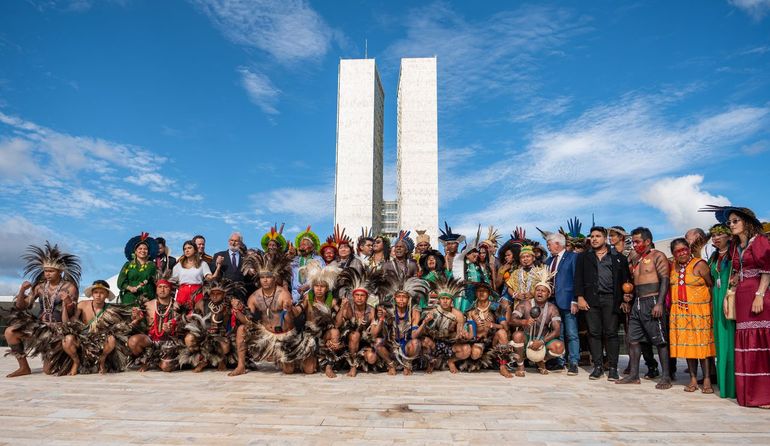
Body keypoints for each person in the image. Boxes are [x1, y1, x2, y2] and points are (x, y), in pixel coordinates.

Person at [701, 205, 770, 408]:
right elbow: (734, 273)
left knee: (760, 344)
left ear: (747, 222)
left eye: (735, 221)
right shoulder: (736, 246)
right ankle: (751, 394)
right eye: (729, 222)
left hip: (758, 294)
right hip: (741, 295)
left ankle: (765, 395)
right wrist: (727, 296)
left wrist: (760, 295)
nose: (731, 225)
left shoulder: (760, 242)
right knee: (746, 345)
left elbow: (767, 269)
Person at [5, 242, 80, 377]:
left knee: (48, 370)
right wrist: (22, 291)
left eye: (51, 271)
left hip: (58, 330)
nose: (47, 274)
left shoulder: (70, 287)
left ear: (60, 271)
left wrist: (67, 301)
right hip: (39, 327)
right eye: (46, 271)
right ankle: (24, 367)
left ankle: (67, 357)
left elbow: (72, 313)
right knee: (10, 332)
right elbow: (22, 306)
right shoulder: (39, 287)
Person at [617, 227, 673, 389]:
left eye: (637, 241)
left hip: (653, 299)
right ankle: (634, 375)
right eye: (633, 242)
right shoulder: (636, 259)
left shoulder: (658, 256)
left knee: (660, 341)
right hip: (638, 302)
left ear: (648, 241)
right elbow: (633, 282)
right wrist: (629, 297)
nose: (634, 245)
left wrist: (660, 303)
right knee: (633, 339)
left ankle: (666, 376)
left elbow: (664, 280)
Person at [574, 227, 631, 381]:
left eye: (598, 236)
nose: (594, 239)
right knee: (594, 333)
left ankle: (613, 368)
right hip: (590, 300)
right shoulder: (583, 257)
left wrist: (625, 298)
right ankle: (598, 366)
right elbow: (578, 278)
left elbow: (626, 281)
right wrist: (580, 297)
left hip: (611, 300)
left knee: (611, 333)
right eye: (592, 236)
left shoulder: (618, 258)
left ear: (605, 239)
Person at [229, 253, 299, 376]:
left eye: (269, 277)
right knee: (241, 329)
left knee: (289, 370)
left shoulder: (283, 294)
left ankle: (283, 356)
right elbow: (248, 321)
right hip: (265, 333)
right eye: (262, 277)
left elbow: (289, 322)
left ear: (275, 278)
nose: (265, 280)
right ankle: (241, 366)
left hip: (284, 336)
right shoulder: (254, 297)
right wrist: (237, 311)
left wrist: (288, 311)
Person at [610, 225, 660, 378]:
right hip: (617, 296)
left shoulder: (633, 254)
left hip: (636, 296)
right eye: (609, 235)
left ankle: (651, 364)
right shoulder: (609, 253)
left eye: (613, 235)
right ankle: (632, 365)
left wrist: (628, 295)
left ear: (621, 237)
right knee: (630, 335)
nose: (610, 238)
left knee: (644, 334)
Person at [668, 238, 716, 393]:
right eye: (677, 251)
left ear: (689, 249)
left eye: (684, 249)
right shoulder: (673, 267)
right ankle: (693, 379)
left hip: (699, 312)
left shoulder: (699, 264)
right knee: (689, 348)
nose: (682, 253)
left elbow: (711, 284)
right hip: (681, 313)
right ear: (673, 254)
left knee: (702, 347)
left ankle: (707, 379)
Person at [61, 280, 131, 375]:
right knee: (67, 339)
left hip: (101, 341)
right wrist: (64, 306)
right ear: (92, 294)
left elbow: (121, 328)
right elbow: (68, 323)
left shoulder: (111, 309)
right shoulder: (82, 305)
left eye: (102, 293)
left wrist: (135, 319)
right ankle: (75, 362)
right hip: (83, 339)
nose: (98, 295)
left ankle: (102, 360)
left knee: (112, 339)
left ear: (106, 295)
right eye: (96, 292)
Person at [510, 269, 565, 377]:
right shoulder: (524, 304)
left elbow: (557, 331)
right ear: (534, 292)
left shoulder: (552, 308)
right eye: (537, 290)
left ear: (549, 294)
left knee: (559, 346)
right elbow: (511, 321)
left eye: (543, 291)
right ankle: (520, 366)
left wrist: (542, 342)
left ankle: (541, 361)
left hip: (542, 341)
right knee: (517, 335)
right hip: (525, 339)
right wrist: (524, 321)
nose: (540, 292)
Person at [181, 279, 243, 372]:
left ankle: (222, 360)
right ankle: (203, 360)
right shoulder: (202, 303)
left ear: (224, 294)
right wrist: (189, 317)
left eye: (218, 294)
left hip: (222, 336)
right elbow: (193, 316)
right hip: (205, 335)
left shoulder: (229, 305)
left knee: (225, 346)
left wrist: (237, 307)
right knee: (189, 339)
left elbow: (240, 319)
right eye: (212, 293)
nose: (214, 296)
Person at [296, 261, 343, 378]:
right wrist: (290, 309)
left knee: (335, 332)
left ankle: (328, 366)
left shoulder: (331, 301)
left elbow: (339, 322)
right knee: (309, 370)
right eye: (317, 286)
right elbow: (298, 311)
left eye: (322, 286)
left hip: (324, 333)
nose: (319, 289)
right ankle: (313, 358)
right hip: (310, 334)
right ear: (313, 287)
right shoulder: (308, 297)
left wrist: (344, 308)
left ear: (327, 288)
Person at [335, 268, 384, 377]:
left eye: (362, 296)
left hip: (364, 341)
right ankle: (353, 364)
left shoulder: (371, 310)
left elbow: (374, 334)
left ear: (366, 297)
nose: (359, 298)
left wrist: (380, 320)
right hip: (347, 341)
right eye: (357, 295)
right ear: (353, 296)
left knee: (372, 358)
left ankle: (362, 360)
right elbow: (337, 325)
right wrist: (342, 307)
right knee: (355, 335)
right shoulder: (349, 306)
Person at [127, 279, 183, 372]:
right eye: (160, 287)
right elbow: (135, 324)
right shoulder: (147, 305)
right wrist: (137, 319)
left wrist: (172, 329)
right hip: (151, 342)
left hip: (169, 343)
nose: (162, 290)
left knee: (166, 367)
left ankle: (158, 362)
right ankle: (147, 360)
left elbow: (182, 329)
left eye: (165, 287)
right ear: (156, 290)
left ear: (170, 290)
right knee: (133, 341)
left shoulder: (178, 306)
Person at [707, 223, 736, 398]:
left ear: (729, 237)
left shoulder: (735, 255)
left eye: (720, 234)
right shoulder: (714, 257)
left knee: (730, 342)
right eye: (713, 235)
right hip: (715, 300)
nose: (716, 238)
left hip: (730, 299)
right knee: (719, 342)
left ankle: (733, 386)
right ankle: (723, 385)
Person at [419, 275, 471, 373]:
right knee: (423, 342)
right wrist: (425, 323)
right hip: (435, 343)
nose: (445, 301)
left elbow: (459, 333)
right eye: (442, 298)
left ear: (452, 300)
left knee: (466, 349)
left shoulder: (458, 314)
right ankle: (431, 361)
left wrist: (461, 334)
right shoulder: (433, 312)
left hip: (451, 344)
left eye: (448, 299)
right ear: (439, 299)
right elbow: (424, 332)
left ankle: (451, 361)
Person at [380, 276, 430, 375]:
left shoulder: (414, 311)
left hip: (407, 345)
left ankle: (408, 364)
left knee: (416, 343)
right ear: (394, 298)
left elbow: (414, 335)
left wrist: (424, 323)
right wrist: (383, 319)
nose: (401, 300)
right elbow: (379, 334)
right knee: (377, 343)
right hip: (392, 345)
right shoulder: (388, 310)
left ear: (409, 299)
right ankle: (391, 364)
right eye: (399, 297)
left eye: (404, 297)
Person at [546, 231, 580, 375]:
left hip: (568, 300)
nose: (548, 247)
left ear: (558, 244)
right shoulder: (548, 261)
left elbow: (576, 279)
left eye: (549, 244)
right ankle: (560, 361)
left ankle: (573, 362)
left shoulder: (573, 257)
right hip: (553, 303)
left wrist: (575, 299)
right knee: (558, 333)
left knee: (572, 333)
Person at [465, 283, 514, 378]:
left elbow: (505, 327)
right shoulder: (471, 310)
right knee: (475, 354)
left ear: (489, 293)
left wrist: (493, 325)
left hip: (493, 341)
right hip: (479, 341)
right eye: (479, 291)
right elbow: (471, 334)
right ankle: (482, 360)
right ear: (476, 293)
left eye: (484, 291)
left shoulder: (496, 307)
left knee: (502, 333)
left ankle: (503, 366)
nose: (481, 293)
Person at [172, 240, 219, 307]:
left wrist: (218, 267)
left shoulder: (202, 263)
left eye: (189, 248)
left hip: (197, 293)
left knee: (197, 315)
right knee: (180, 315)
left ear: (195, 250)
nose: (187, 250)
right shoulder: (179, 265)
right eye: (185, 249)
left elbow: (210, 278)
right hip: (182, 294)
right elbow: (172, 281)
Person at [117, 233, 158, 306]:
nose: (143, 250)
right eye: (140, 248)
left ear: (148, 251)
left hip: (148, 299)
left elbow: (156, 280)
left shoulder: (152, 265)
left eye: (145, 249)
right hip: (130, 298)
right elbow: (120, 281)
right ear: (135, 251)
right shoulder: (128, 265)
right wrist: (129, 288)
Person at [211, 232, 248, 302]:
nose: (233, 243)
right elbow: (212, 271)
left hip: (240, 295)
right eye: (231, 240)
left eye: (236, 241)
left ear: (240, 243)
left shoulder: (245, 258)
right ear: (228, 241)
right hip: (223, 294)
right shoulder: (218, 255)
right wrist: (217, 264)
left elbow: (247, 278)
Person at [291, 226, 323, 302]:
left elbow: (321, 277)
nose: (302, 247)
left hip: (312, 294)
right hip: (295, 296)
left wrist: (308, 285)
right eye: (301, 245)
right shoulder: (294, 261)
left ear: (312, 248)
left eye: (305, 245)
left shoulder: (318, 259)